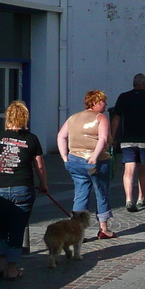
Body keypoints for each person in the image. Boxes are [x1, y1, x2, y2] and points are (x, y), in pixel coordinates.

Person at [0, 100, 47, 280]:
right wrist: (43, 185)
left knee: (0, 227)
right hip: (23, 187)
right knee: (17, 229)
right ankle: (12, 269)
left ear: (7, 117)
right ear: (24, 118)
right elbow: (39, 166)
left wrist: (1, 166)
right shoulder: (31, 139)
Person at [59, 90, 115, 239]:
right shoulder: (100, 118)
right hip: (97, 161)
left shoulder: (72, 118)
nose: (106, 104)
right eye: (103, 101)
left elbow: (61, 136)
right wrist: (94, 157)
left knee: (80, 195)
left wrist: (65, 157)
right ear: (96, 103)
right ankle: (104, 229)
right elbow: (103, 139)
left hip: (75, 160)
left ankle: (77, 231)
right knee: (101, 193)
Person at [111, 73, 145, 212]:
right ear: (144, 84)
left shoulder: (123, 97)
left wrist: (113, 136)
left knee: (129, 170)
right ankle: (141, 197)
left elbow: (116, 118)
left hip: (127, 139)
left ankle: (128, 199)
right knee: (143, 169)